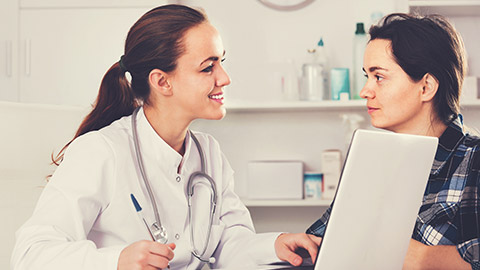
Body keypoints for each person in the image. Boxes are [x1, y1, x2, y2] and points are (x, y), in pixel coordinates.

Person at [11, 4, 320, 270]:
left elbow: (228, 244)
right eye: (207, 67)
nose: (224, 78)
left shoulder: (208, 153)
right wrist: (115, 261)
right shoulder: (101, 152)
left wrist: (274, 246)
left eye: (221, 62)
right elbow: (30, 255)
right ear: (162, 81)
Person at [306, 13, 480, 270]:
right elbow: (321, 242)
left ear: (426, 87)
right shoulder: (369, 162)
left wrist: (420, 258)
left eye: (379, 77)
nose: (365, 91)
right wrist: (287, 244)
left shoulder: (473, 159)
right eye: (367, 76)